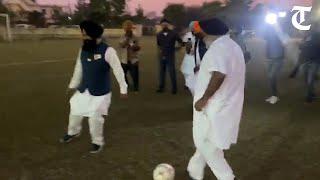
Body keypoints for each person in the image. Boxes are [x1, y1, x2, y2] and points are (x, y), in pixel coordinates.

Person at [187, 18, 245, 180]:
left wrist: (204, 99)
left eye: (201, 32)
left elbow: (220, 74)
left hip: (214, 107)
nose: (199, 35)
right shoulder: (232, 46)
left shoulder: (217, 49)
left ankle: (227, 177)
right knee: (207, 142)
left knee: (207, 145)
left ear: (208, 33)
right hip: (227, 105)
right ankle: (194, 170)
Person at [60, 20, 128, 153]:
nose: (83, 37)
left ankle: (97, 142)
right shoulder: (83, 49)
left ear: (93, 35)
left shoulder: (108, 51)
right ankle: (73, 132)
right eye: (82, 34)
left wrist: (123, 88)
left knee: (94, 117)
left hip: (101, 93)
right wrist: (73, 84)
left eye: (85, 35)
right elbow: (79, 69)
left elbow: (118, 70)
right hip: (84, 89)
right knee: (75, 110)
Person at [156, 18, 183, 94]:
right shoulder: (159, 34)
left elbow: (181, 42)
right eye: (163, 25)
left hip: (170, 55)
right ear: (161, 25)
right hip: (161, 56)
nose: (164, 26)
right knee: (161, 72)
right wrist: (160, 52)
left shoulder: (174, 34)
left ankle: (174, 88)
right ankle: (161, 87)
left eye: (165, 24)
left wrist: (178, 48)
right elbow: (159, 45)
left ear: (168, 25)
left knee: (171, 72)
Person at [263, 24, 285, 104]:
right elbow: (263, 36)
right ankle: (273, 95)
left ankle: (275, 96)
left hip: (278, 59)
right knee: (270, 78)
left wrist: (278, 29)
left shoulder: (281, 34)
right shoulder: (268, 34)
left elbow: (285, 41)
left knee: (271, 76)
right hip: (270, 58)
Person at [119, 20, 141, 93]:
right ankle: (127, 85)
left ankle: (136, 88)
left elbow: (138, 48)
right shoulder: (122, 36)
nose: (127, 29)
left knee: (134, 75)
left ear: (131, 28)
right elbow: (121, 45)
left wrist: (134, 46)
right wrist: (127, 40)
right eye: (126, 27)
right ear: (124, 28)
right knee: (122, 74)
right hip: (124, 59)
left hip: (133, 59)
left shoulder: (135, 37)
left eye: (129, 27)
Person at [180, 22, 196, 93]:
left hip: (196, 56)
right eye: (192, 26)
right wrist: (187, 50)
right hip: (188, 55)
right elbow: (183, 45)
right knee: (185, 70)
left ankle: (194, 83)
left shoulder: (200, 35)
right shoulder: (188, 35)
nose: (193, 28)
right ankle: (187, 83)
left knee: (194, 70)